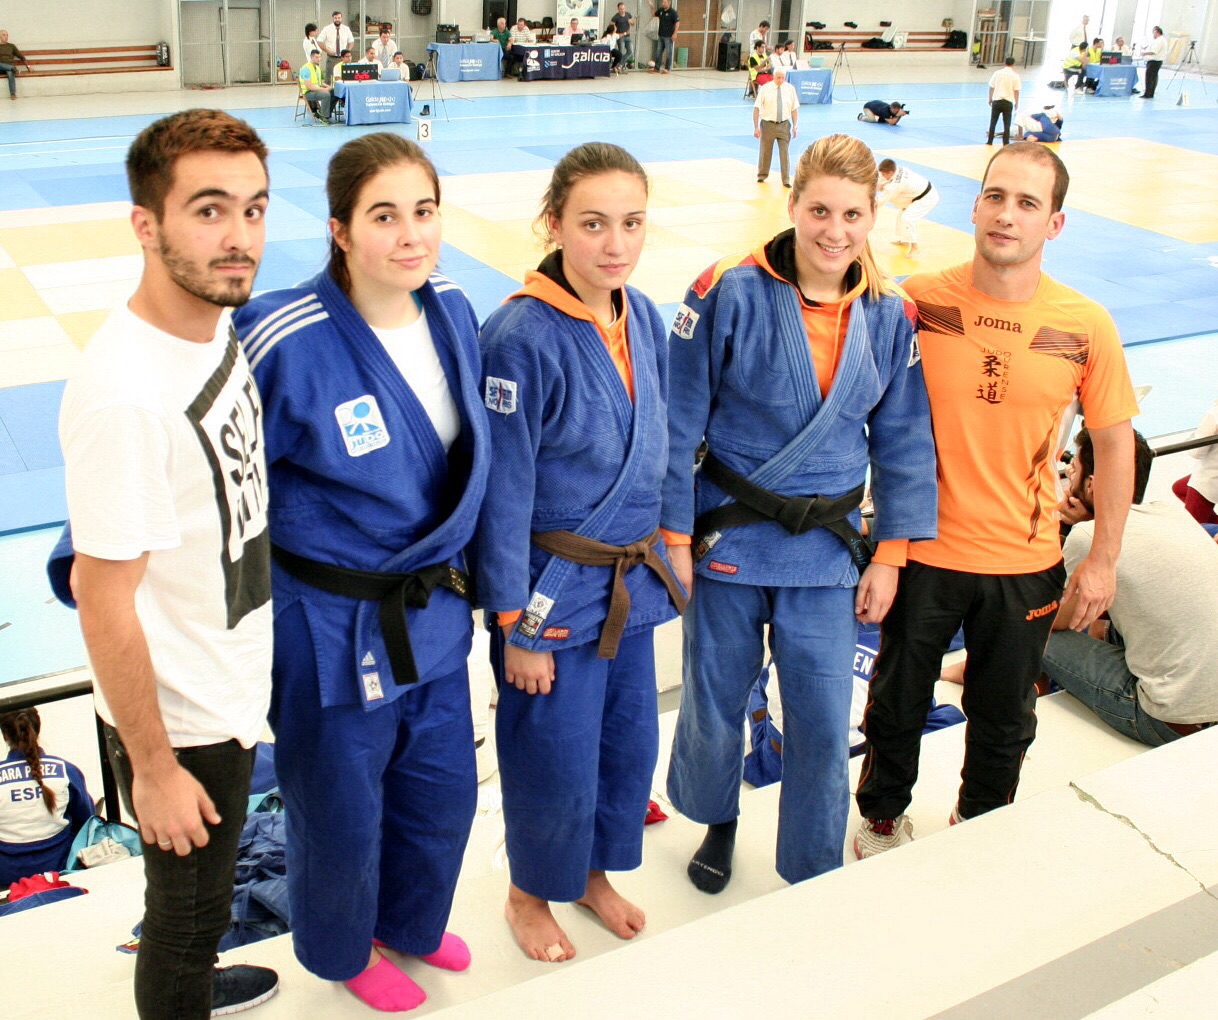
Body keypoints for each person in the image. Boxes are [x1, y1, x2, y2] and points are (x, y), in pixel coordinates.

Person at [230, 133, 490, 1012]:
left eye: (424, 211)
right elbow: (207, 478)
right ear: (340, 230)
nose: (410, 235)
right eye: (384, 216)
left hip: (431, 611)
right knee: (339, 809)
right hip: (330, 625)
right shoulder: (281, 336)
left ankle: (411, 922)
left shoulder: (451, 305)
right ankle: (343, 952)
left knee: (442, 791)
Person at [663, 133, 938, 894]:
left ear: (873, 214)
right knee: (716, 697)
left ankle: (811, 862)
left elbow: (905, 442)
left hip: (826, 546)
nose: (834, 231)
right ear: (792, 205)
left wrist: (892, 555)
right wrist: (674, 535)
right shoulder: (726, 289)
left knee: (820, 715)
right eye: (820, 210)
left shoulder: (891, 312)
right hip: (726, 530)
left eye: (852, 214)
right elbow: (677, 420)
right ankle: (718, 819)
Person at [854, 142, 1140, 858]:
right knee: (896, 703)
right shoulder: (919, 302)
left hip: (1025, 561)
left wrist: (1102, 561)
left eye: (1027, 203)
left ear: (1055, 224)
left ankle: (978, 829)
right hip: (921, 550)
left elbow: (1114, 447)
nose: (1007, 215)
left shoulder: (1085, 324)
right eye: (995, 197)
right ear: (976, 207)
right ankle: (881, 820)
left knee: (1004, 719)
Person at [56, 108, 279, 1018]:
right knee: (184, 923)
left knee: (207, 902)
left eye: (255, 209)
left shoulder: (210, 321)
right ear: (146, 225)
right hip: (181, 717)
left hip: (226, 672)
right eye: (210, 210)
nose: (240, 238)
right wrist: (151, 768)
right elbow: (100, 597)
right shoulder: (125, 395)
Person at [475, 142, 684, 963]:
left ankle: (591, 875)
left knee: (625, 747)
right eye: (593, 224)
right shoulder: (517, 336)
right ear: (553, 223)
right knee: (551, 755)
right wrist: (515, 625)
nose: (615, 244)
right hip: (552, 591)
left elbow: (664, 446)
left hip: (630, 582)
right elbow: (503, 491)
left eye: (632, 223)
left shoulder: (645, 316)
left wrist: (674, 542)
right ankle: (529, 893)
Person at [1043, 429, 1218, 746]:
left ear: (1091, 484)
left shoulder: (1086, 536)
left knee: (1030, 630)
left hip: (1168, 720)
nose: (1068, 481)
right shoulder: (1172, 514)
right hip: (1208, 708)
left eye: (1073, 471)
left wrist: (1067, 529)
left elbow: (1054, 620)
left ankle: (1010, 683)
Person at [0, 707, 93, 886]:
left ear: (5, 735)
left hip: (6, 875)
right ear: (38, 728)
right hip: (60, 867)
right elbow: (87, 821)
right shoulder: (66, 770)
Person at [876, 158, 940, 257]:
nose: (883, 176)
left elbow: (881, 201)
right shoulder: (897, 170)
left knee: (907, 218)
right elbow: (880, 181)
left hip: (927, 198)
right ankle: (905, 240)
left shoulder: (897, 185)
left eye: (884, 174)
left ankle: (915, 247)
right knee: (901, 215)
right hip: (916, 194)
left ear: (890, 172)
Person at [1172, 399, 1218, 525]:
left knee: (1193, 527)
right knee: (1180, 487)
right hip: (1213, 473)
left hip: (1209, 478)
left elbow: (1196, 452)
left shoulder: (1213, 415)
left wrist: (1195, 436)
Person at [753, 66, 799, 188]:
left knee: (784, 152)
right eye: (778, 77)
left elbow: (794, 109)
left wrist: (795, 126)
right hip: (768, 124)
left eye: (783, 78)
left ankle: (786, 179)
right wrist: (756, 127)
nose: (780, 80)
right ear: (773, 77)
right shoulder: (765, 89)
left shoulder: (790, 89)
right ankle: (762, 175)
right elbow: (757, 108)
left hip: (784, 125)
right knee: (765, 151)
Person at [986, 57, 1020, 146]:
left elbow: (991, 87)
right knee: (1007, 124)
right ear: (1014, 64)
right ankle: (1006, 142)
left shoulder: (997, 73)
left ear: (1004, 63)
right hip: (1008, 102)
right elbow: (1016, 91)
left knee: (993, 122)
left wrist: (990, 98)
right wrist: (1016, 102)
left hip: (997, 101)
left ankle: (990, 141)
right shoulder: (1015, 76)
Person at [298, 49, 334, 124]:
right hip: (308, 93)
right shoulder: (306, 69)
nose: (319, 59)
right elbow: (309, 86)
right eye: (316, 57)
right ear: (311, 57)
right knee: (326, 95)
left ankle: (322, 111)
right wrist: (323, 89)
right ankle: (323, 116)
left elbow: (320, 82)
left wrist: (328, 87)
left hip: (316, 90)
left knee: (333, 92)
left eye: (320, 57)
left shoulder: (317, 68)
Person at [317, 10, 355, 79]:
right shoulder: (327, 29)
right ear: (333, 18)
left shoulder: (346, 29)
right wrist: (327, 50)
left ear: (341, 18)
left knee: (344, 78)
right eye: (335, 18)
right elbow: (319, 41)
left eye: (339, 18)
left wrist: (347, 51)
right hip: (331, 58)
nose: (337, 19)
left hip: (343, 59)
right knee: (330, 79)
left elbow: (351, 41)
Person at [647, 0, 680, 73]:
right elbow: (654, 14)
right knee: (658, 52)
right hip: (661, 35)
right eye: (663, 2)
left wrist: (675, 33)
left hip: (669, 36)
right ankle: (657, 68)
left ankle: (667, 68)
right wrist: (651, 5)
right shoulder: (661, 10)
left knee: (668, 53)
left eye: (665, 2)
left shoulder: (673, 12)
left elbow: (677, 23)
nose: (663, 4)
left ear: (669, 3)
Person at [0, 29, 32, 101]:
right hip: (1, 68)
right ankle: (12, 68)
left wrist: (28, 67)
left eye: (7, 35)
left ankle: (13, 93)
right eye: (4, 35)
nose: (6, 37)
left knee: (10, 72)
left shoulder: (11, 46)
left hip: (9, 66)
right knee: (11, 69)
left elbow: (21, 56)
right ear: (0, 37)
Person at [1141, 26, 1167, 99]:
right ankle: (1150, 93)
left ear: (1156, 32)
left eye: (1153, 32)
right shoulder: (1161, 40)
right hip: (1156, 61)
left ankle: (1148, 93)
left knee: (1150, 78)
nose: (1153, 34)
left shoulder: (1160, 40)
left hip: (1154, 61)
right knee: (1153, 77)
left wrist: (1144, 53)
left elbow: (1154, 51)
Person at [611, 3, 635, 70]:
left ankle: (619, 64)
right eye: (621, 9)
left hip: (628, 36)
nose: (622, 10)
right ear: (618, 9)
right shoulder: (616, 17)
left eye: (623, 9)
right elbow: (611, 25)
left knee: (630, 51)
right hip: (620, 37)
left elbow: (633, 23)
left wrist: (631, 22)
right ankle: (618, 66)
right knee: (621, 52)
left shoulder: (628, 14)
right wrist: (615, 33)